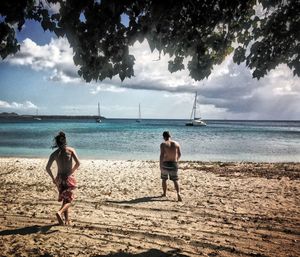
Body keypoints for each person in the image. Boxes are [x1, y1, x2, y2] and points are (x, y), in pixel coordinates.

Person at [46, 131, 80, 225]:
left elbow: (47, 168)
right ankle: (59, 212)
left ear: (57, 143)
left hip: (59, 179)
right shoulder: (71, 150)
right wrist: (71, 172)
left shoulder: (54, 154)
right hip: (68, 178)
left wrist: (53, 178)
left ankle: (66, 220)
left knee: (65, 199)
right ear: (65, 141)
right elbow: (78, 163)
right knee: (69, 200)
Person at [160, 131, 182, 201]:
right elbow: (179, 154)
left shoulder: (163, 144)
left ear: (163, 137)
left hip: (165, 164)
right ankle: (178, 193)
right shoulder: (177, 143)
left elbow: (162, 155)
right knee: (175, 180)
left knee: (164, 179)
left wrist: (160, 165)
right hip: (174, 164)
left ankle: (164, 193)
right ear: (170, 136)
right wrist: (176, 161)